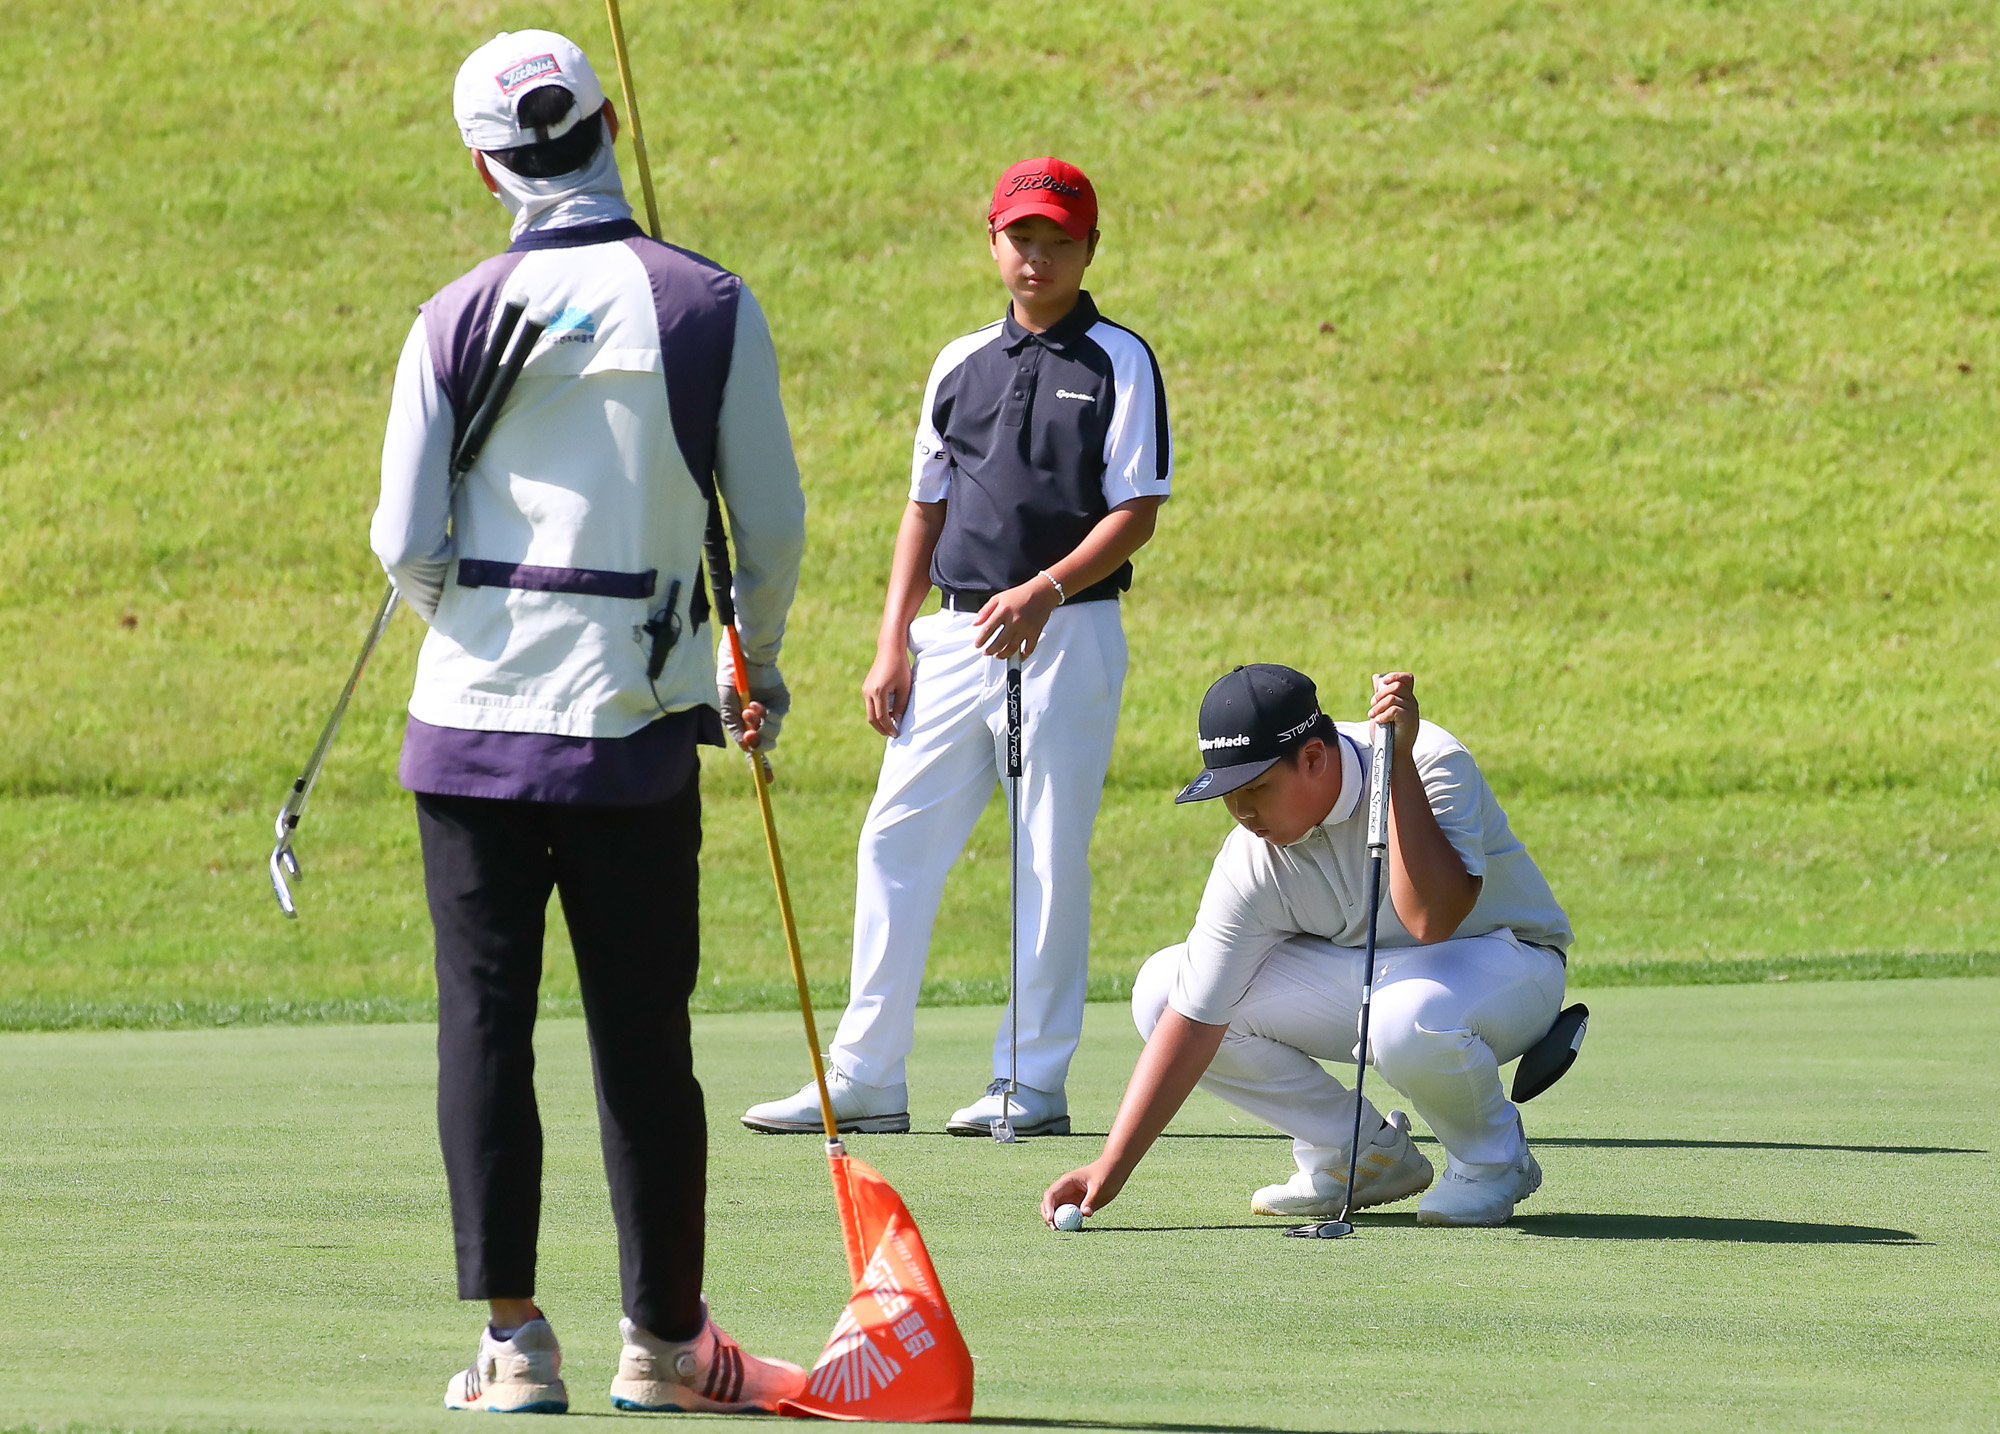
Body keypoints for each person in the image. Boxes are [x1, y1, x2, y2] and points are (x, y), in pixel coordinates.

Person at [370, 29, 807, 1414]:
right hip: (634, 727)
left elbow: (403, 540)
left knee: (483, 1029)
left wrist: (478, 626)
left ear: (480, 164)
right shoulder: (705, 300)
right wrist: (753, 664)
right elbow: (770, 528)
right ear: (609, 125)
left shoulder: (450, 315)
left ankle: (513, 1346)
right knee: (643, 1038)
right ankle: (665, 1344)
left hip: (467, 725)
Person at [742, 157, 1171, 1138]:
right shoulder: (958, 362)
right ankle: (865, 1078)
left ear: (1090, 250)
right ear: (992, 240)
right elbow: (923, 507)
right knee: (894, 840)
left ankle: (1030, 1081)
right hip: (950, 636)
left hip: (1065, 632)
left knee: (1045, 857)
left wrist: (1045, 588)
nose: (1037, 257)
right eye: (1022, 238)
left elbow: (1137, 509)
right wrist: (892, 641)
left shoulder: (1118, 359)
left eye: (1059, 241)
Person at [1041, 664, 1574, 1228]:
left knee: (1405, 1015)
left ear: (1314, 758)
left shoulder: (1430, 760)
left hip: (1510, 966)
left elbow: (1431, 918)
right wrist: (1113, 1164)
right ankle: (1360, 1154)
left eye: (1257, 788)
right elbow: (1194, 1021)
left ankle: (1493, 1161)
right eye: (1227, 795)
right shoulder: (1251, 856)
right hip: (1377, 982)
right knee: (1163, 989)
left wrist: (1397, 770)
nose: (1243, 812)